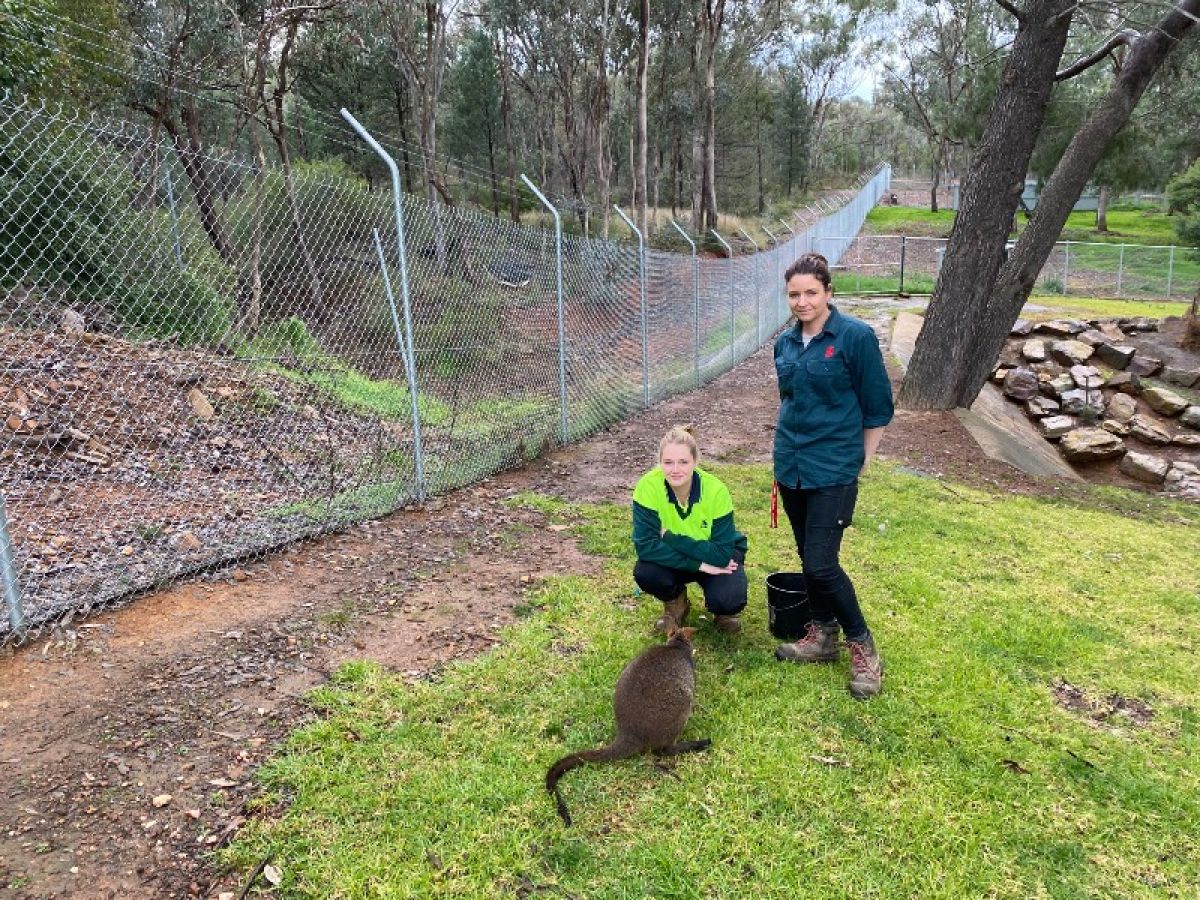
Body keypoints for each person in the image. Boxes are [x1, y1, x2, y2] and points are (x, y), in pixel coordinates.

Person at [772, 252, 894, 698]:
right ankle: (822, 635)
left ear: (828, 292)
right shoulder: (784, 345)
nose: (802, 302)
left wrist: (863, 459)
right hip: (792, 466)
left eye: (810, 293)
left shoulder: (855, 338)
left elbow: (878, 405)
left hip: (834, 468)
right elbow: (790, 401)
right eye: (794, 295)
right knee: (808, 557)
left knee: (823, 563)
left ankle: (863, 648)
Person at [631, 425, 748, 635]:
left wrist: (669, 537)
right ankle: (676, 602)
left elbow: (721, 555)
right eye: (668, 462)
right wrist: (700, 565)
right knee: (646, 572)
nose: (675, 470)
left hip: (716, 558)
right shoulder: (647, 487)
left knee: (729, 598)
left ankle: (722, 612)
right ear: (660, 462)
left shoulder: (716, 490)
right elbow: (646, 547)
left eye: (683, 462)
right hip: (695, 559)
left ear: (695, 462)